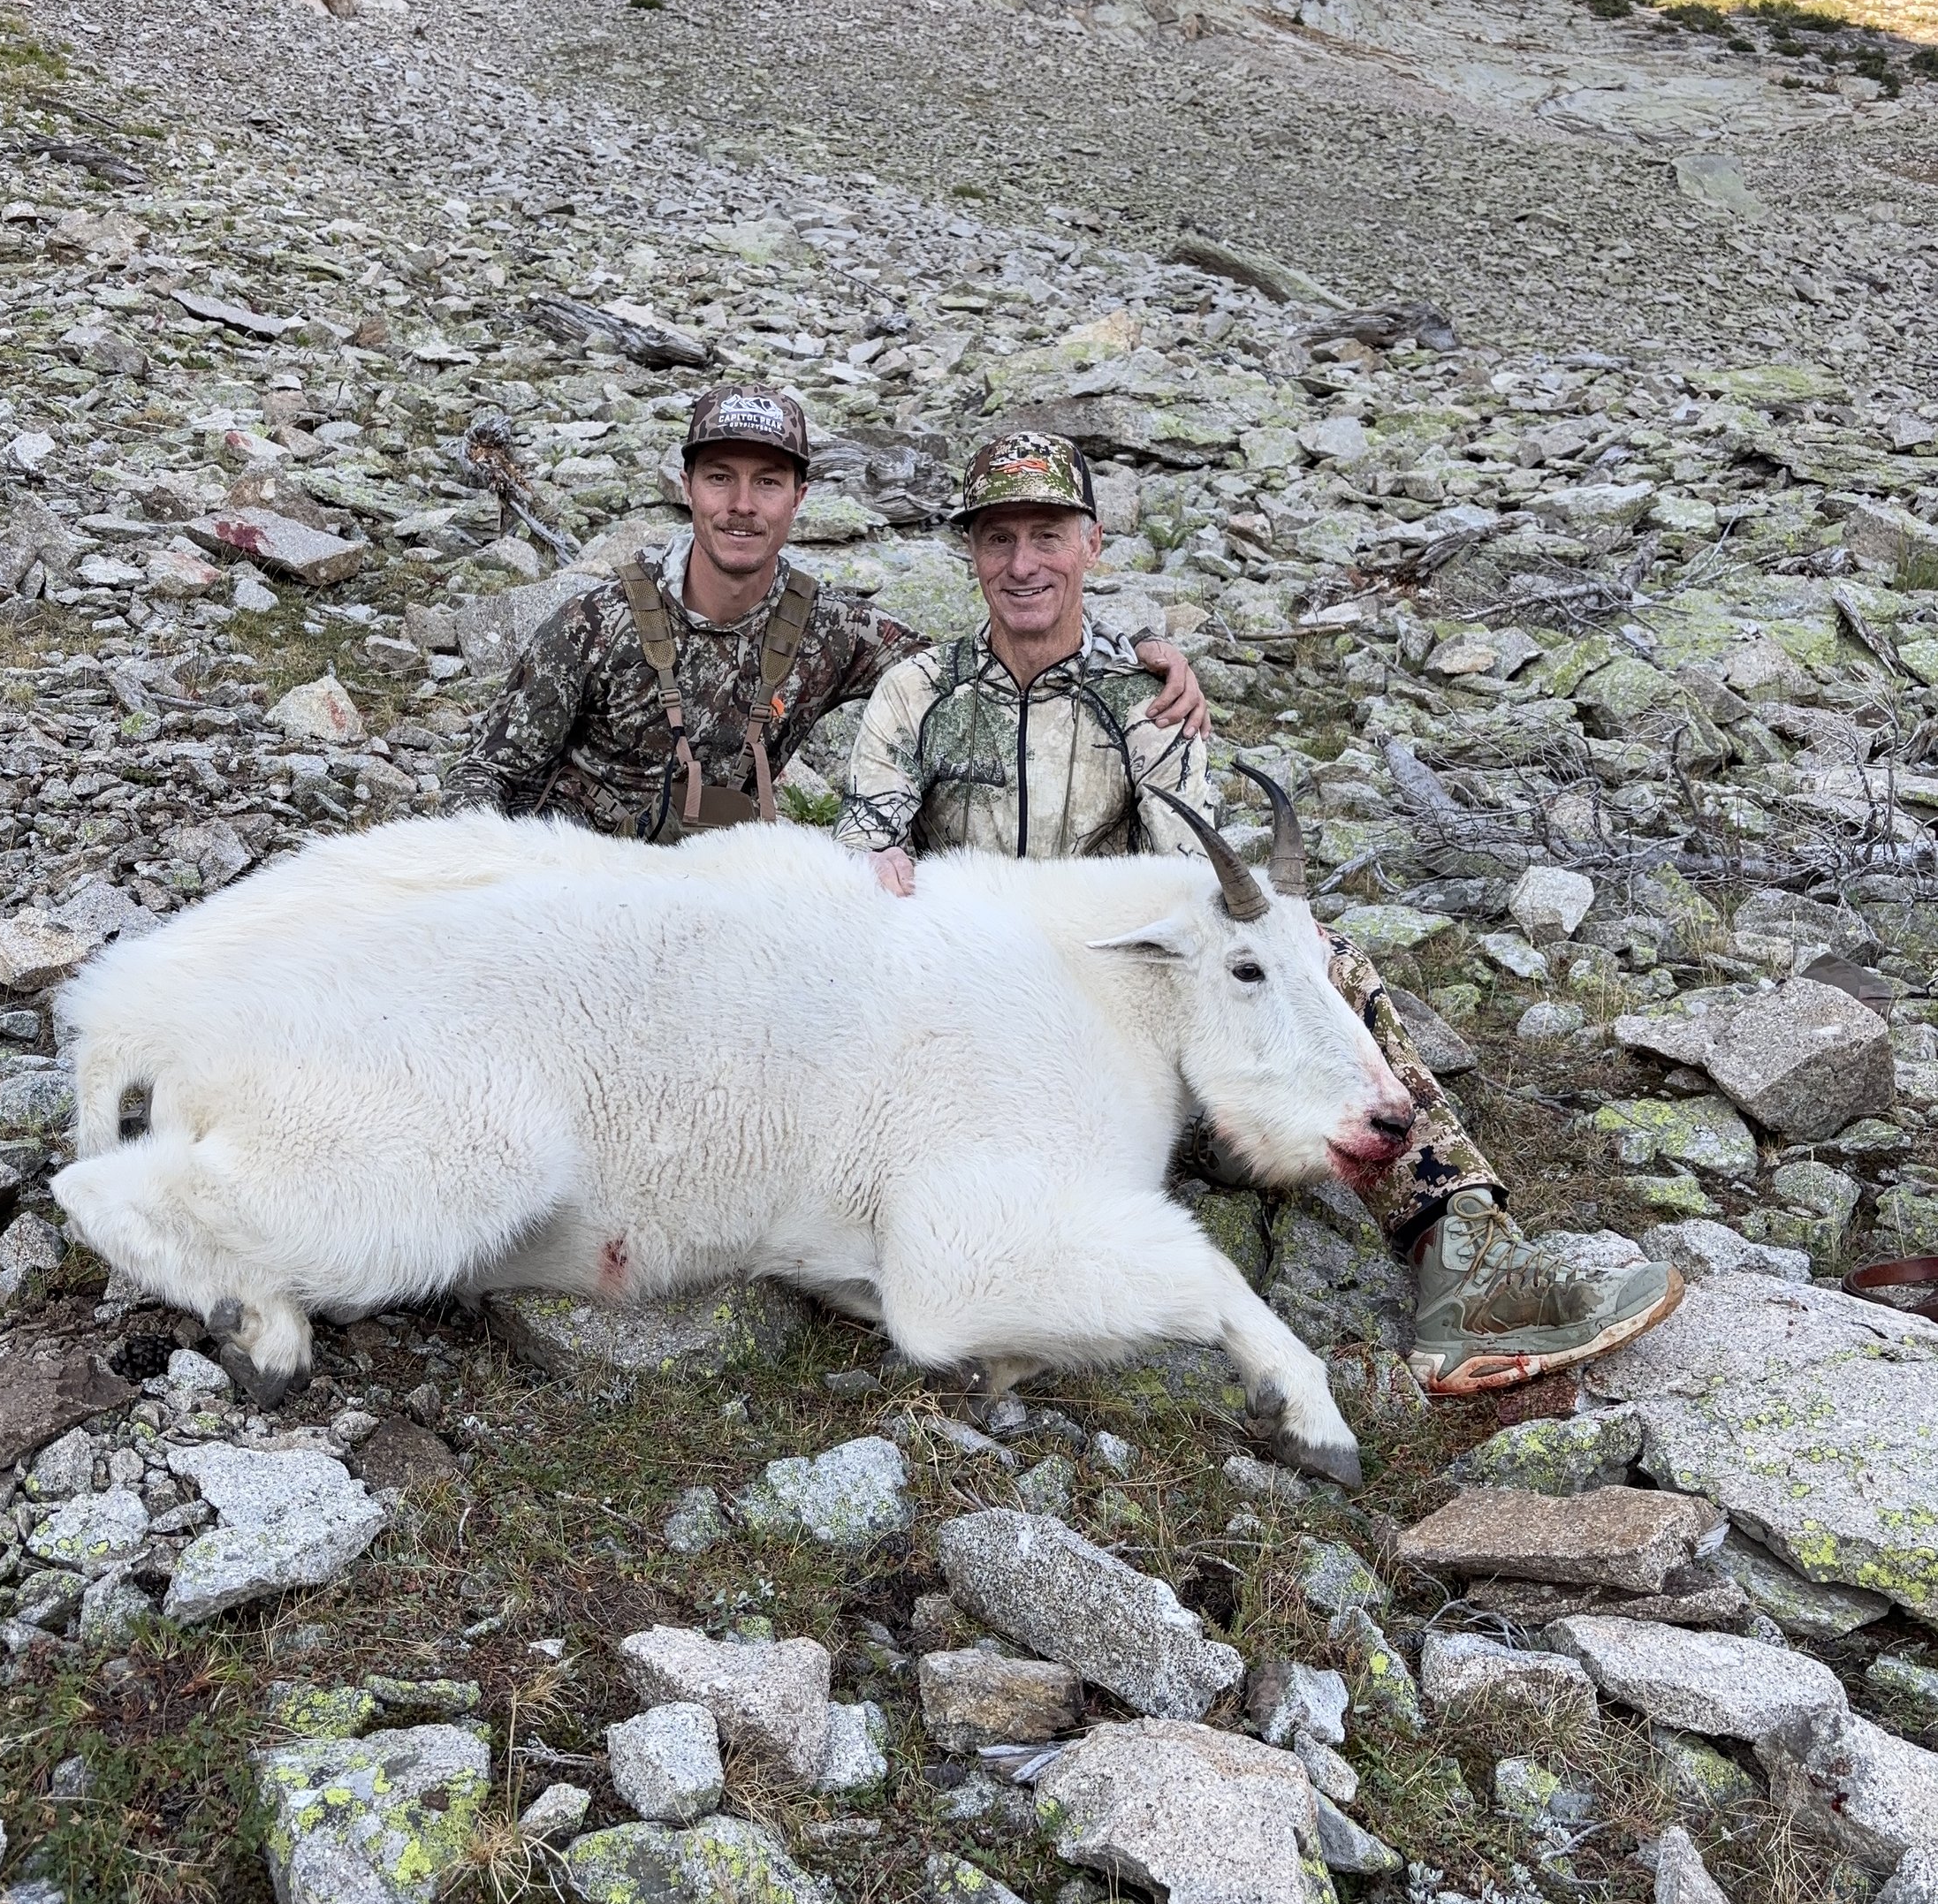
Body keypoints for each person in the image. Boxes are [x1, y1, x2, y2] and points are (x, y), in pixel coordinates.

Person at [837, 427, 1681, 1398]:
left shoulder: (1146, 699)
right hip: (971, 1041)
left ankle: (1468, 1266)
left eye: (1047, 536)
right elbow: (876, 861)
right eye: (997, 540)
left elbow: (1191, 896)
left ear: (1092, 544)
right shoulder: (915, 693)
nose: (1022, 564)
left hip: (1128, 1026)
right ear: (972, 553)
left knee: (1320, 959)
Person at [452, 385, 1207, 841]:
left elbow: (995, 645)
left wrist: (1134, 651)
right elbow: (484, 773)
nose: (741, 506)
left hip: (713, 903)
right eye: (720, 479)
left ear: (801, 498)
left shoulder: (831, 632)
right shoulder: (596, 622)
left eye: (767, 483)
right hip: (565, 897)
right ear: (687, 486)